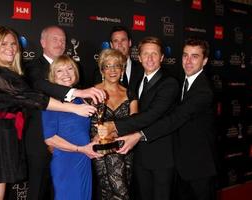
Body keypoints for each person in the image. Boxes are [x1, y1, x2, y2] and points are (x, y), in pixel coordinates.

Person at [0, 26, 97, 200]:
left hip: (4, 139)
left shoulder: (11, 73)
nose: (10, 48)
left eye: (13, 44)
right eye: (3, 44)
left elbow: (32, 93)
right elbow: (31, 96)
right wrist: (75, 104)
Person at [104, 38, 218, 200]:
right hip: (176, 160)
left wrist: (124, 129)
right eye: (185, 55)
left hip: (198, 164)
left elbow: (171, 118)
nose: (188, 61)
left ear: (205, 60)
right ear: (139, 57)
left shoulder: (201, 91)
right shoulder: (180, 80)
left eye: (195, 56)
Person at [23, 25, 105, 200]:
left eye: (63, 40)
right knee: (38, 192)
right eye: (55, 39)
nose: (60, 43)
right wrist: (76, 94)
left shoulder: (76, 81)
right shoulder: (31, 68)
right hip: (40, 143)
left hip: (77, 155)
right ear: (42, 42)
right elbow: (41, 87)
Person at [99, 36, 180, 200]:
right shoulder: (136, 83)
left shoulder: (169, 83)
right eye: (146, 54)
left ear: (162, 57)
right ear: (139, 57)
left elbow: (152, 115)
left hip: (161, 158)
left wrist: (114, 125)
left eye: (154, 54)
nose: (150, 58)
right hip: (138, 156)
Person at [42, 55, 102, 200]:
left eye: (69, 69)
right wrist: (80, 149)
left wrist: (96, 139)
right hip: (66, 161)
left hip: (84, 160)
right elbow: (49, 139)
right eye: (59, 71)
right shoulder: (51, 101)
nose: (66, 74)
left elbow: (84, 130)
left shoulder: (81, 99)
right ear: (52, 76)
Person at [91, 48, 138, 200]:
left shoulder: (130, 94)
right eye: (107, 66)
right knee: (118, 193)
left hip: (125, 150)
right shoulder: (91, 93)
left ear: (122, 69)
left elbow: (134, 124)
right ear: (102, 70)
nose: (112, 70)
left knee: (113, 194)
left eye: (116, 65)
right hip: (102, 151)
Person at [94, 25, 143, 94]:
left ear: (129, 43)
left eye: (123, 40)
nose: (120, 44)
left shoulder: (142, 69)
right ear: (111, 45)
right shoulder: (100, 72)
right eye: (116, 41)